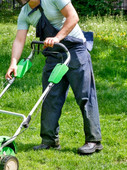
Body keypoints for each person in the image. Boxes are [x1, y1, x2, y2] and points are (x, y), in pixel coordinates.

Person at [5, 0, 103, 155]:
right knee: (50, 98)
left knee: (85, 95)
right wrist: (13, 63)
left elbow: (73, 17)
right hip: (53, 54)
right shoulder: (25, 12)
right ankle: (49, 140)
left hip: (75, 50)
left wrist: (57, 37)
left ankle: (93, 140)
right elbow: (19, 40)